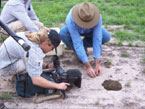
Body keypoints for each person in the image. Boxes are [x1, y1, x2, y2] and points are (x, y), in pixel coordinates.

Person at [0, 28, 69, 90]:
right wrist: (58, 86)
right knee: (30, 68)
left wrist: (47, 66)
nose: (51, 50)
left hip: (6, 59)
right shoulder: (33, 50)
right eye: (52, 48)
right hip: (5, 67)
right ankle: (18, 79)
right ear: (46, 43)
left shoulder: (34, 35)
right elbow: (36, 80)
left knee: (32, 62)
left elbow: (34, 60)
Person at [60, 2, 111, 78]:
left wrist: (97, 63)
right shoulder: (71, 19)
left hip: (91, 32)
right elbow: (77, 42)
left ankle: (83, 48)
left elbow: (97, 39)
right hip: (75, 31)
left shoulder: (98, 17)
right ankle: (78, 52)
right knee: (63, 33)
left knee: (106, 36)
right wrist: (88, 67)